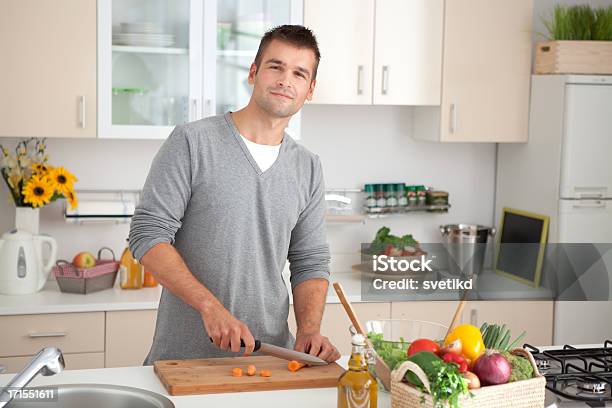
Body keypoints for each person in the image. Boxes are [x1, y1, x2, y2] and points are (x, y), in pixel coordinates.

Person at [129, 25, 341, 364]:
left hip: (270, 358)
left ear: (310, 89)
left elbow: (310, 261)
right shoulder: (192, 142)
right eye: (276, 66)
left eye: (299, 73)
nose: (286, 80)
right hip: (185, 360)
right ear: (254, 72)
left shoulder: (308, 167)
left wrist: (308, 330)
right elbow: (148, 235)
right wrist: (210, 307)